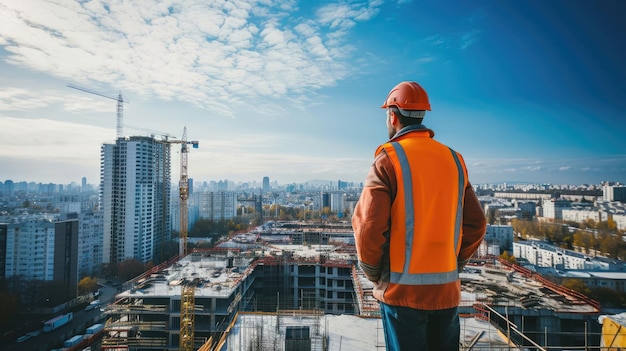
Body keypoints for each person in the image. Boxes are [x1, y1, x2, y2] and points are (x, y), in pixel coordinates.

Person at [352, 81, 486, 351]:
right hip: (446, 294)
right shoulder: (454, 160)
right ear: (422, 114)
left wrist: (374, 272)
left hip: (402, 296)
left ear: (393, 114)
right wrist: (454, 264)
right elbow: (476, 223)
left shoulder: (388, 159)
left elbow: (368, 227)